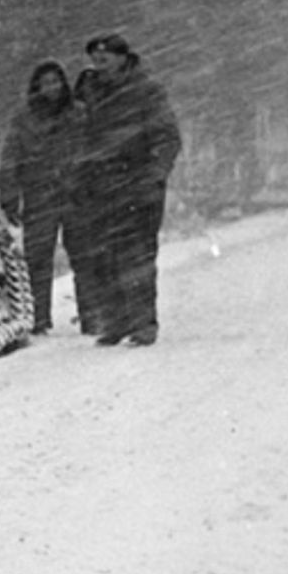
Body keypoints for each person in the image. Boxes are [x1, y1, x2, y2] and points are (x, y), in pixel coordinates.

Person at [76, 33, 181, 347]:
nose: (99, 62)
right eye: (95, 58)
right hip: (99, 186)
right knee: (104, 257)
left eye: (105, 56)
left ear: (123, 58)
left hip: (137, 183)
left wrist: (153, 176)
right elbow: (80, 138)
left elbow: (167, 138)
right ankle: (117, 321)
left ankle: (143, 322)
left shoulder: (147, 91)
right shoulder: (89, 94)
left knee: (138, 255)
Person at [0, 60, 93, 335]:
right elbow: (10, 158)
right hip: (39, 195)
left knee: (83, 257)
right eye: (46, 83)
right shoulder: (24, 119)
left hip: (76, 194)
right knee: (37, 259)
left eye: (56, 82)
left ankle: (90, 314)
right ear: (36, 88)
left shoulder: (79, 114)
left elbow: (93, 151)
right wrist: (9, 196)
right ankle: (38, 319)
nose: (52, 88)